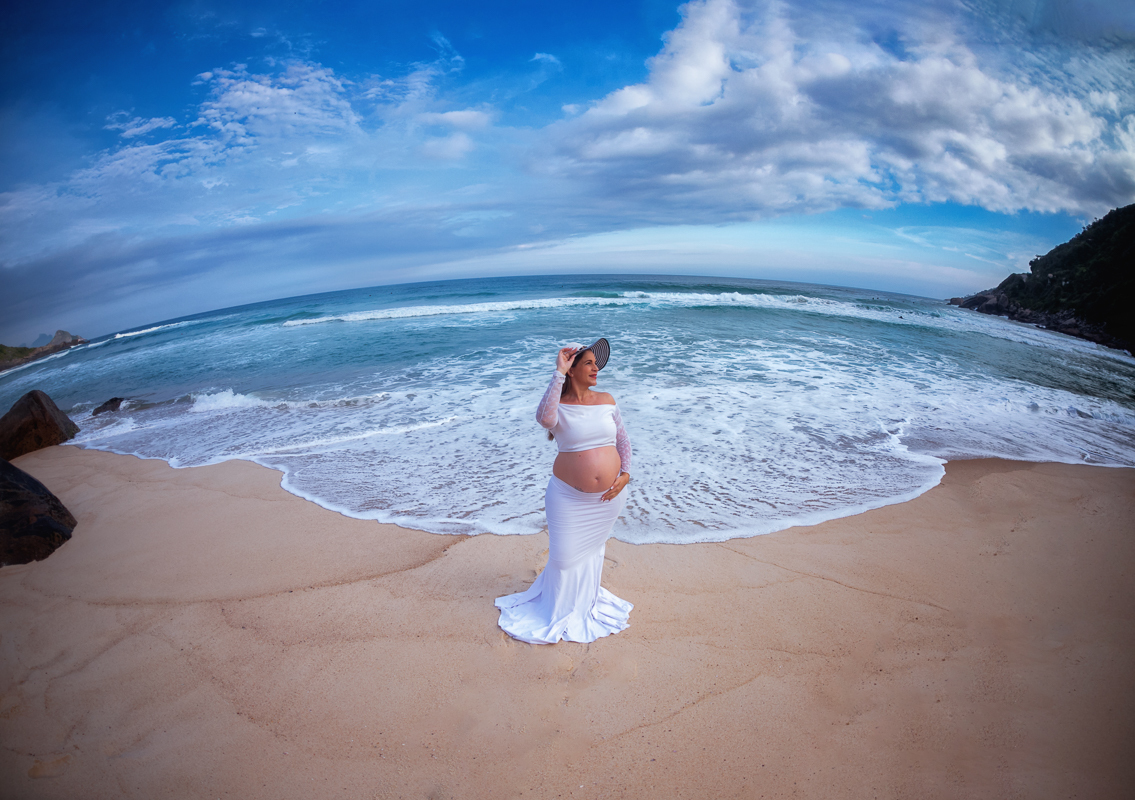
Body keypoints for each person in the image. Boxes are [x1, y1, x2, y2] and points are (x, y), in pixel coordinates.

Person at [495, 338, 634, 644]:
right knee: (563, 558)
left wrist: (625, 474)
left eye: (597, 364)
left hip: (608, 499)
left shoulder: (607, 400)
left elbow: (623, 441)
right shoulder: (557, 407)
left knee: (593, 553)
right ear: (572, 369)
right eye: (588, 363)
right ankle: (557, 609)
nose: (596, 368)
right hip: (568, 499)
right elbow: (543, 419)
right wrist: (558, 372)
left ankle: (584, 605)